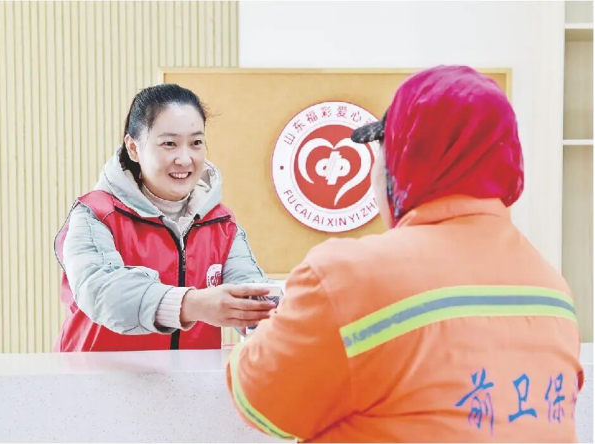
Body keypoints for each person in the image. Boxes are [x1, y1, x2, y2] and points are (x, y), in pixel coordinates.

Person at [226, 65, 584, 442]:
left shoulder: (346, 277)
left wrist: (261, 330)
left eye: (382, 150)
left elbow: (260, 398)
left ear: (404, 159)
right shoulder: (553, 289)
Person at [54, 84, 276, 352]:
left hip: (188, 379)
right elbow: (102, 292)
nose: (185, 159)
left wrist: (269, 317)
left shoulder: (221, 224)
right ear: (133, 148)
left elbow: (251, 291)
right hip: (96, 377)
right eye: (169, 144)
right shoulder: (95, 215)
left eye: (196, 143)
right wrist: (192, 304)